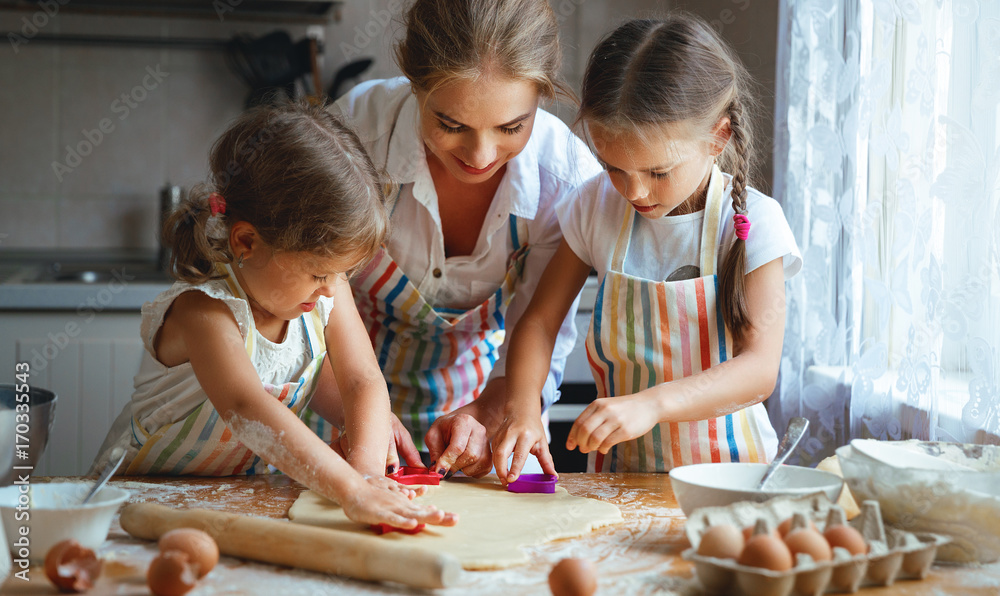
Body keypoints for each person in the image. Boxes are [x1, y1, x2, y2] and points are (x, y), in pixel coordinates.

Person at [91, 101, 457, 530]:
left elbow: (362, 381)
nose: (332, 287)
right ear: (247, 241)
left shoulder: (318, 293)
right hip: (128, 505)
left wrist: (367, 470)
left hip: (230, 504)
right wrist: (353, 491)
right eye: (320, 272)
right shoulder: (204, 312)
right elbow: (247, 407)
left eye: (341, 273)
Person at [493, 14, 803, 477]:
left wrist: (654, 404)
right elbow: (538, 324)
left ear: (718, 137)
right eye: (613, 167)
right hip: (621, 475)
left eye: (658, 172)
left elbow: (759, 371)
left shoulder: (753, 222)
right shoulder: (594, 207)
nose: (634, 192)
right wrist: (521, 409)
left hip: (730, 478)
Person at [321, 0, 601, 477]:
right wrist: (361, 412)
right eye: (451, 125)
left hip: (478, 392)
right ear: (414, 86)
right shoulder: (354, 135)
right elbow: (311, 294)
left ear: (542, 96)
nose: (481, 155)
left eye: (512, 126)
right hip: (333, 392)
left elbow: (538, 329)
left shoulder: (566, 180)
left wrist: (489, 412)